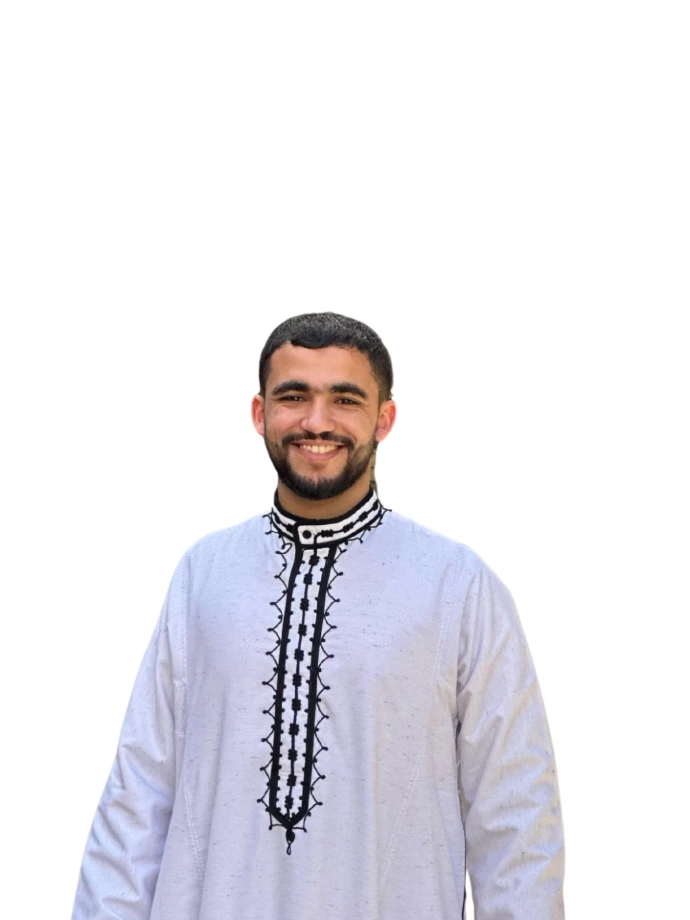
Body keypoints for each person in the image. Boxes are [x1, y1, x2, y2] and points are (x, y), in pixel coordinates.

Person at [71, 312, 566, 920]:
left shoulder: (455, 585)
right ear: (260, 413)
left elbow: (516, 817)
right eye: (293, 396)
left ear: (384, 418)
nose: (316, 421)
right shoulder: (205, 574)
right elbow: (138, 793)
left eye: (345, 400)